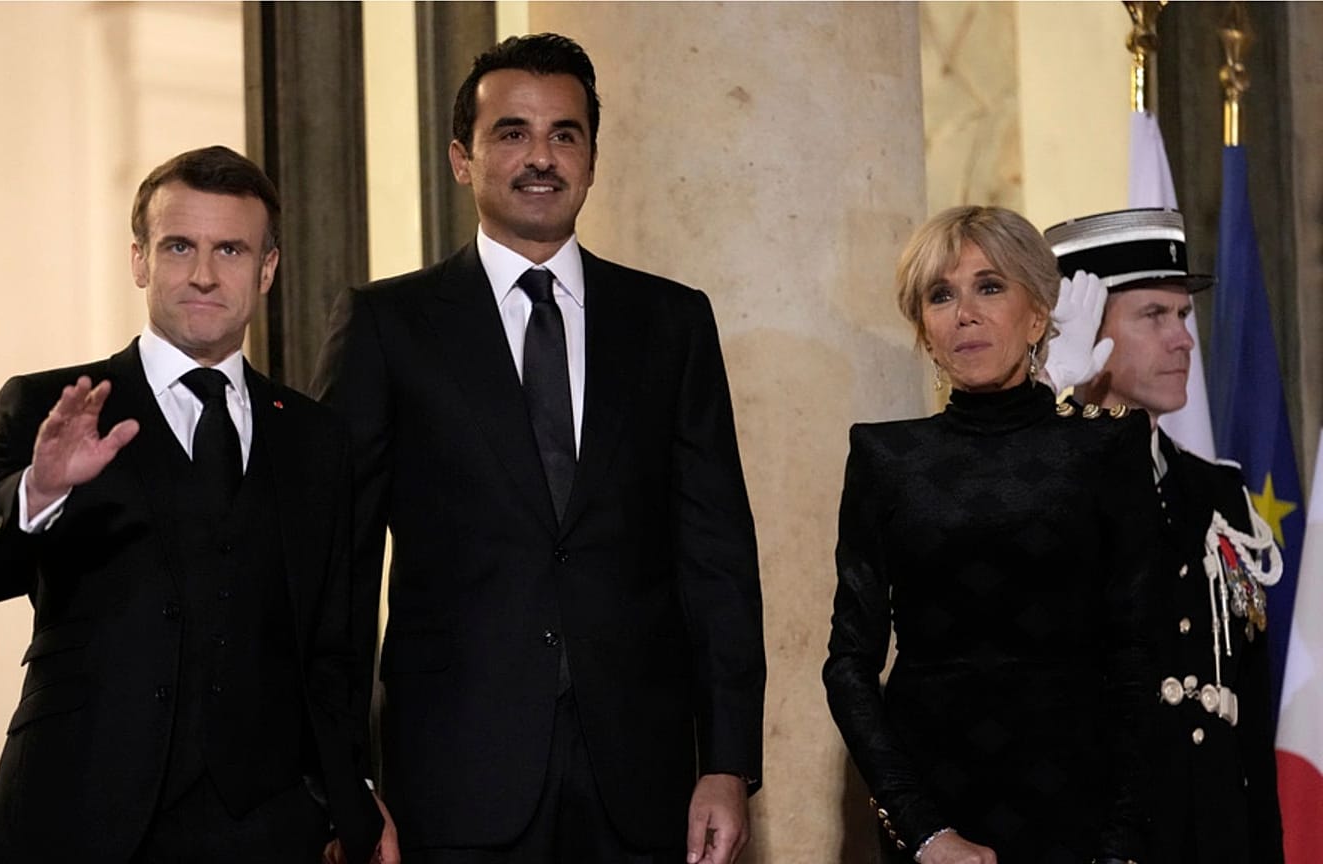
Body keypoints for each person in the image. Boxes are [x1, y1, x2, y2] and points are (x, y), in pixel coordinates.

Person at [312, 33, 765, 864]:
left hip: (642, 774)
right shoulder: (387, 327)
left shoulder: (672, 323)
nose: (541, 157)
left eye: (565, 133)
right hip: (449, 773)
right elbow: (335, 566)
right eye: (512, 133)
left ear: (592, 158)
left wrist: (729, 761)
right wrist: (347, 782)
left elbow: (717, 555)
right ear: (462, 158)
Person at [0, 145, 386, 864]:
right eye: (179, 246)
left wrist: (353, 796)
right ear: (140, 260)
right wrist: (44, 486)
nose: (204, 273)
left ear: (266, 270)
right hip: (77, 813)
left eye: (231, 250)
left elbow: (330, 648)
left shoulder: (315, 438)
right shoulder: (53, 404)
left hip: (270, 830)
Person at [823, 205, 1158, 864]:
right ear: (924, 328)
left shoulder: (1106, 448)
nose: (964, 313)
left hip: (1082, 817)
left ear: (1038, 314)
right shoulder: (885, 459)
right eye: (940, 295)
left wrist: (1118, 847)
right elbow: (848, 664)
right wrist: (922, 831)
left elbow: (1139, 661)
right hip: (932, 817)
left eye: (990, 286)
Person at [1044, 207, 1284, 864]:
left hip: (1212, 833)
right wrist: (1050, 413)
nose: (1184, 340)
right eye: (1154, 316)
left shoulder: (1217, 492)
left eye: (1182, 316)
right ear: (1088, 329)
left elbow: (1247, 709)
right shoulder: (1038, 486)